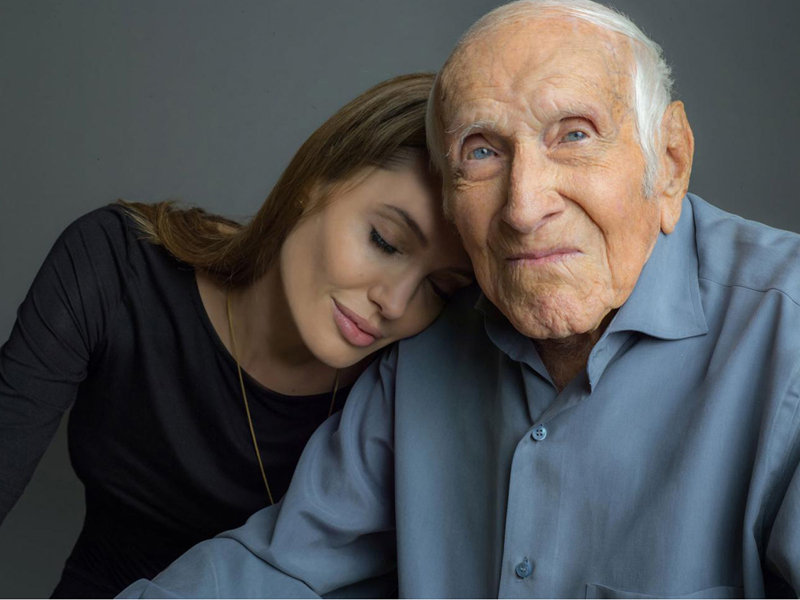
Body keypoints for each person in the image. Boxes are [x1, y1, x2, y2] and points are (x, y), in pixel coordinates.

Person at [121, 0, 800, 597]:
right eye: (481, 152)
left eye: (574, 134)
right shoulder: (429, 346)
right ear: (449, 195)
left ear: (670, 162)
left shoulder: (786, 334)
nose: (524, 207)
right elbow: (282, 568)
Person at [0, 72, 473, 598]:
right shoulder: (117, 269)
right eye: (385, 241)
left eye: (440, 287)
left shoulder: (414, 378)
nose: (396, 303)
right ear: (314, 182)